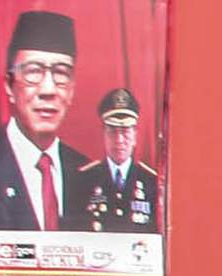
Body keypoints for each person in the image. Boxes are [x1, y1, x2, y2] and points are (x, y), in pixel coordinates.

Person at [0, 8, 80, 231]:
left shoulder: (88, 174)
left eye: (61, 73)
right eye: (33, 72)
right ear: (9, 86)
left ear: (72, 90)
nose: (48, 90)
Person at [69, 86, 162, 233]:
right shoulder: (84, 179)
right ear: (104, 134)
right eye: (112, 131)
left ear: (135, 136)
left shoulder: (151, 181)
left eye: (125, 132)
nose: (119, 140)